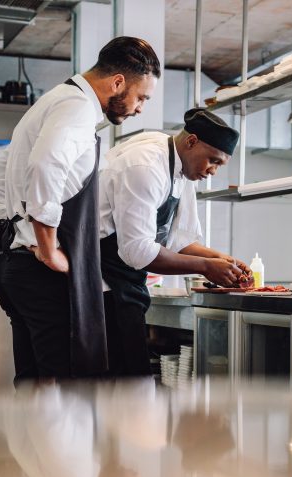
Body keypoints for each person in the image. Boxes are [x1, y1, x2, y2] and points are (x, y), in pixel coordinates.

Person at [0, 36, 161, 382]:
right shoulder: (77, 107)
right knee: (64, 392)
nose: (140, 107)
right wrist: (47, 249)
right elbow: (45, 167)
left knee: (34, 386)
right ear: (117, 82)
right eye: (141, 97)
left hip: (13, 267)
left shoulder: (52, 101)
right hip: (38, 275)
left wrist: (18, 236)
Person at [98, 108, 249, 376]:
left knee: (134, 381)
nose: (211, 171)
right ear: (191, 142)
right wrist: (205, 267)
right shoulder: (145, 165)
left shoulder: (183, 169)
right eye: (212, 161)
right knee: (120, 383)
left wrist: (221, 260)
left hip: (128, 283)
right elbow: (138, 251)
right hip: (103, 285)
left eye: (219, 165)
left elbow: (180, 241)